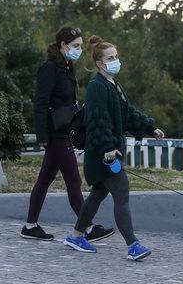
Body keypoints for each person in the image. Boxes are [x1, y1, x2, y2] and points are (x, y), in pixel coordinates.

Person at [63, 35, 165, 261]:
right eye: (110, 58)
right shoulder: (97, 87)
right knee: (122, 194)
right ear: (100, 63)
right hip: (104, 154)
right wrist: (108, 148)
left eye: (116, 56)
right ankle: (133, 246)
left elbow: (126, 114)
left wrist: (150, 127)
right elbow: (97, 121)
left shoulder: (112, 84)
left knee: (97, 195)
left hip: (107, 151)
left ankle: (76, 236)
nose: (115, 60)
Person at [21, 27, 114, 243]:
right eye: (75, 46)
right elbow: (41, 103)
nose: (79, 50)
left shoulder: (67, 66)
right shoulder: (50, 68)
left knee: (44, 179)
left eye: (80, 46)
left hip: (66, 129)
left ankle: (30, 225)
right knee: (73, 178)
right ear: (63, 45)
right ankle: (88, 228)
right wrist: (42, 136)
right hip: (56, 133)